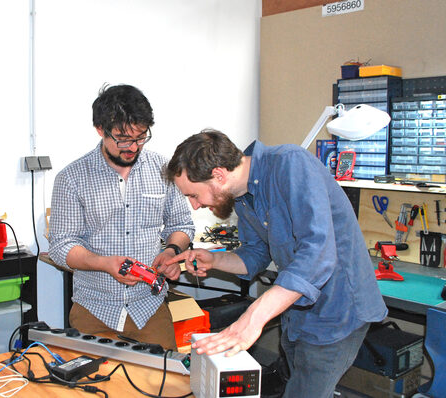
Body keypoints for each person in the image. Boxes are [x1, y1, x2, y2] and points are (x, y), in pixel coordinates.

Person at [164, 129, 387, 397]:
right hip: (296, 314)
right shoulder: (244, 196)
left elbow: (317, 255)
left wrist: (253, 318)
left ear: (219, 175)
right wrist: (214, 260)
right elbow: (255, 256)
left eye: (193, 195)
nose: (195, 205)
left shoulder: (291, 164)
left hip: (336, 312)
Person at [48, 84, 195, 350]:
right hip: (93, 309)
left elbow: (181, 224)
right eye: (123, 139)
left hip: (148, 307)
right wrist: (105, 263)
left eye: (140, 137)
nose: (133, 147)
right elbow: (60, 247)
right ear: (100, 130)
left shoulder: (162, 170)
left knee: (167, 384)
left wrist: (172, 250)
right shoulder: (72, 178)